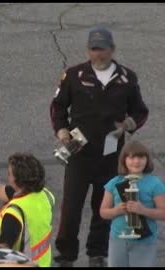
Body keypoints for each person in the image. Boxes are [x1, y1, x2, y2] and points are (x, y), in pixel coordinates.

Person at [49, 26, 149, 267]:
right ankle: (66, 255)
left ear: (112, 49)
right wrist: (61, 131)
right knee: (71, 207)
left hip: (112, 155)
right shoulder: (73, 75)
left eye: (103, 49)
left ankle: (97, 253)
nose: (98, 54)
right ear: (88, 50)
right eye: (94, 49)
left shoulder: (127, 77)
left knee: (103, 207)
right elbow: (58, 107)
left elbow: (140, 111)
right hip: (79, 154)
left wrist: (128, 123)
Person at [100, 140, 165, 267]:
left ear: (147, 159)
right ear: (124, 159)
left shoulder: (155, 183)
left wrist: (143, 210)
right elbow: (103, 212)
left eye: (141, 157)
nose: (136, 161)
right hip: (118, 239)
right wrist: (117, 210)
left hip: (145, 241)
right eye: (132, 157)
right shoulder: (114, 183)